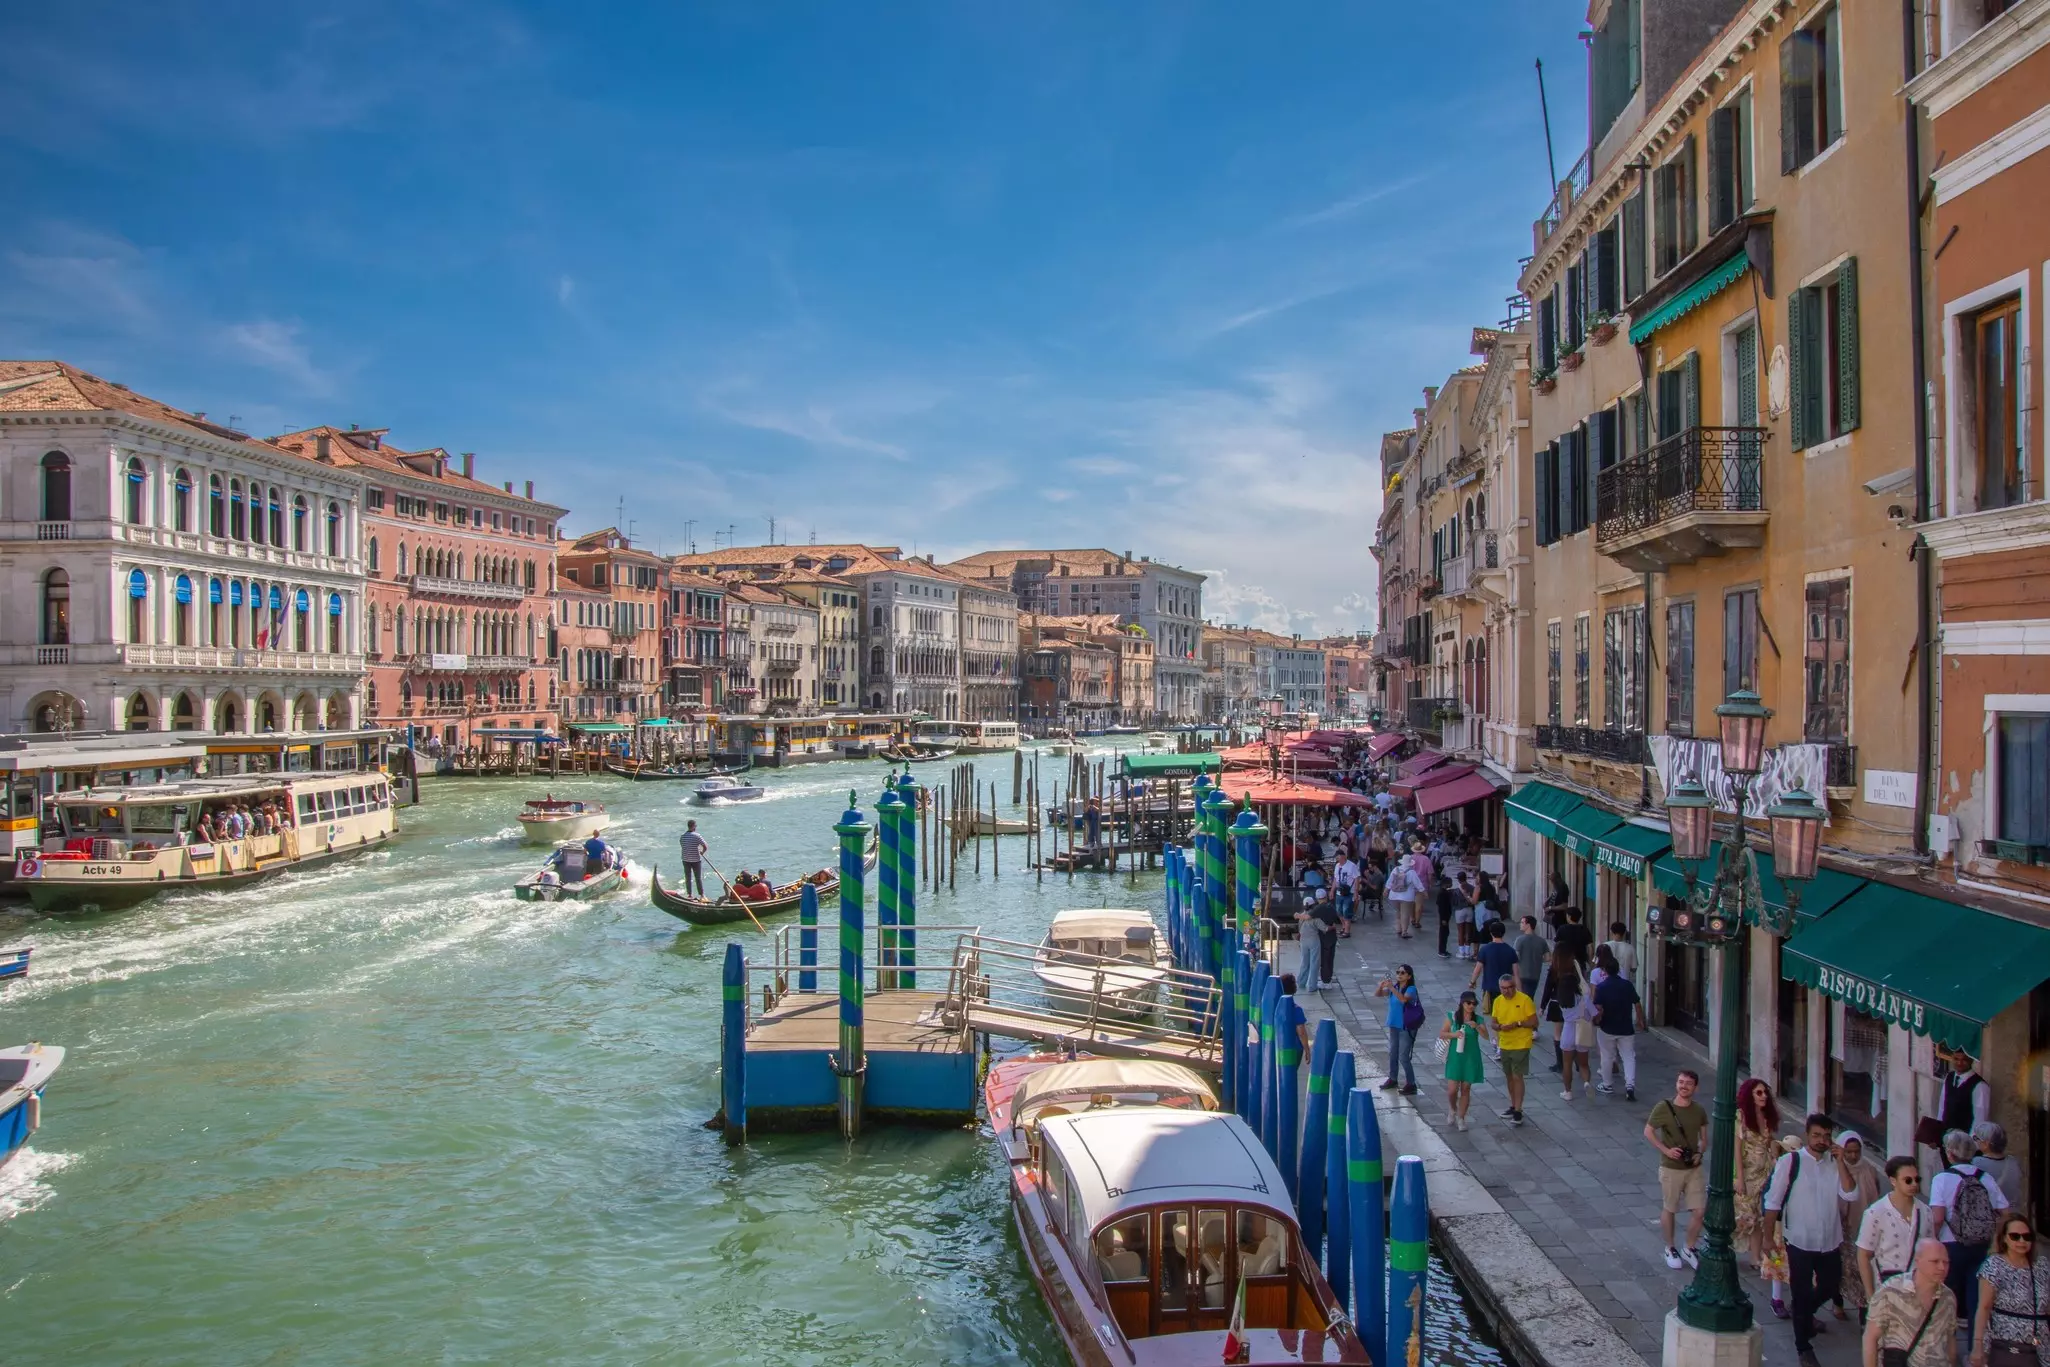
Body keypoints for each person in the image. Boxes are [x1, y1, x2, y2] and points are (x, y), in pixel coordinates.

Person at [1767, 1113, 1860, 1364]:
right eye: (1817, 1135)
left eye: (1826, 1136)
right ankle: (1803, 1346)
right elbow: (1773, 1202)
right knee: (1801, 1291)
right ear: (1808, 1134)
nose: (1821, 1140)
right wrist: (1767, 1239)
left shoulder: (1834, 1164)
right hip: (1799, 1239)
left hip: (1830, 1240)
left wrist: (1841, 1162)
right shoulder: (1791, 1162)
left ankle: (1804, 1314)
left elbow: (1851, 1194)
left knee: (1830, 1284)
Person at [1935, 1128, 2011, 1327]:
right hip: (1980, 1244)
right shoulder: (1985, 1178)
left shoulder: (1942, 1179)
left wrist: (1933, 1239)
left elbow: (1938, 1217)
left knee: (1948, 1298)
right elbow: (2005, 1212)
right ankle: (1974, 1351)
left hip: (1951, 1243)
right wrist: (1993, 1235)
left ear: (1950, 1153)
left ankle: (1947, 1349)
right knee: (1975, 1301)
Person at [1735, 1077, 1793, 1312]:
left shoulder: (1767, 1118)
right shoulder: (1741, 1117)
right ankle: (1732, 1248)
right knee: (1744, 1215)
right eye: (1758, 1093)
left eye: (1765, 1093)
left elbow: (1770, 1144)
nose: (1763, 1097)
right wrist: (1739, 1177)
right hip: (1748, 1172)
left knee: (1760, 1215)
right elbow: (1737, 1149)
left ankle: (1755, 1256)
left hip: (1765, 1172)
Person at [1862, 1240, 1958, 1367]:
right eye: (1935, 1261)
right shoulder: (1890, 1291)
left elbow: (1950, 1339)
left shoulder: (1948, 1297)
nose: (1942, 1267)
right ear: (1918, 1261)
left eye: (1946, 1262)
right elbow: (1870, 1338)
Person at [1648, 1069, 1709, 1270]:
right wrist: (1666, 1150)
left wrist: (1700, 1153)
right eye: (1681, 1082)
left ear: (1696, 1088)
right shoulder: (1663, 1107)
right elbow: (1648, 1132)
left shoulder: (1699, 1110)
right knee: (1670, 1207)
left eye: (1688, 1083)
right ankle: (1670, 1247)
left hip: (1693, 1167)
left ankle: (1689, 1247)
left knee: (1699, 1210)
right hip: (1671, 1168)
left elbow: (1704, 1139)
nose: (1683, 1086)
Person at [1971, 1214, 2048, 1367]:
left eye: (2027, 1237)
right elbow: (1984, 1307)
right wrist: (1978, 1345)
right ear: (2004, 1238)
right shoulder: (1994, 1265)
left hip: (2041, 1345)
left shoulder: (2042, 1266)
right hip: (2006, 1344)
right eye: (2015, 1236)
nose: (2022, 1241)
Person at [1860, 1156, 1934, 1311]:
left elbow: (1931, 1252)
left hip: (1918, 1291)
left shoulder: (1925, 1212)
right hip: (1887, 1290)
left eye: (1917, 1179)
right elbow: (1863, 1255)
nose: (1914, 1184)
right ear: (1893, 1181)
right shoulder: (1875, 1213)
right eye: (1908, 1180)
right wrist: (1870, 1295)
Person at [1836, 1132, 1884, 1322]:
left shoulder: (1869, 1170)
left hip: (1866, 1227)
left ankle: (1864, 1309)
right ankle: (1837, 1303)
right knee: (1842, 1269)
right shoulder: (1836, 1170)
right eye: (1848, 1152)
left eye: (1856, 1152)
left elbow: (1876, 1194)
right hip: (1843, 1229)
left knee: (1864, 1270)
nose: (1853, 1156)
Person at [1487, 971, 1537, 1127]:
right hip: (1505, 1043)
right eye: (1503, 988)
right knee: (1509, 1076)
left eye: (1508, 988)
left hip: (1521, 1043)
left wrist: (1518, 1024)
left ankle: (1518, 1110)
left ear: (1514, 986)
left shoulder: (1524, 1000)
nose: (1505, 991)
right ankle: (1514, 1104)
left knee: (1517, 1076)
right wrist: (1501, 1027)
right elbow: (1493, 1023)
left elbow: (1534, 1022)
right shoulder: (1498, 1001)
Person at [1591, 956, 1643, 1099]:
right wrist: (1640, 1021)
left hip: (1607, 1027)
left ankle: (1607, 1084)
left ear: (1605, 971)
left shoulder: (1601, 988)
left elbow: (1598, 1008)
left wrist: (1595, 1020)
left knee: (1607, 1056)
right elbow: (1637, 1004)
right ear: (1618, 970)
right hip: (1626, 1027)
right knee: (1628, 1056)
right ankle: (1630, 1085)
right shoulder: (1627, 985)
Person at [1544, 951, 1594, 1099]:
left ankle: (1568, 1091)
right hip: (1582, 1029)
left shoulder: (1562, 1001)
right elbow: (1593, 1013)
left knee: (1567, 1064)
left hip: (1568, 1029)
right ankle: (1586, 1082)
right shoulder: (1583, 997)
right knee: (1583, 1064)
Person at [1439, 990, 1485, 1132]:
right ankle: (1452, 1108)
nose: (1471, 1006)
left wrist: (1476, 1026)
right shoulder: (1452, 1017)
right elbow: (1442, 1034)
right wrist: (1454, 1034)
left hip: (1471, 1057)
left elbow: (1487, 1036)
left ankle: (1461, 1117)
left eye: (1474, 1003)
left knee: (1466, 1089)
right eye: (1468, 1003)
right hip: (1455, 1057)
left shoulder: (1477, 1019)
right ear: (1462, 1003)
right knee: (1452, 1090)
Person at [1374, 965, 1421, 1095]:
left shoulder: (1411, 989)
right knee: (1393, 1053)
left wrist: (1390, 988)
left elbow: (1403, 999)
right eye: (1398, 972)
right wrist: (1381, 986)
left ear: (1409, 976)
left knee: (1403, 1056)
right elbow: (1377, 994)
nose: (1399, 974)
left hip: (1406, 1027)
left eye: (1403, 973)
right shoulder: (1395, 988)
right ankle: (1393, 1078)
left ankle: (1411, 1083)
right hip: (1394, 1025)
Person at [1471, 921, 1520, 1019]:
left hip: (1490, 988)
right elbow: (1516, 974)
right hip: (1507, 988)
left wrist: (1472, 982)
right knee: (1506, 1014)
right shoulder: (1510, 950)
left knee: (1494, 1016)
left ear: (1491, 933)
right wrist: (1520, 991)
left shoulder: (1485, 950)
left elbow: (1478, 969)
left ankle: (1496, 1034)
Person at [1972, 1123, 2024, 1211]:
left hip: (1993, 1215)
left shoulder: (1977, 1163)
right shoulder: (2013, 1162)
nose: (1975, 1141)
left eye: (1976, 1138)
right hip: (2013, 1214)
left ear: (1986, 1144)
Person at [1292, 895, 1325, 994]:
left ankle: (1301, 982)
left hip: (1303, 940)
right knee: (1314, 963)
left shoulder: (1301, 916)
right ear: (1313, 905)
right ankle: (1312, 986)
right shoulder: (1315, 917)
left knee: (1304, 962)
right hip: (1314, 940)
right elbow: (1324, 928)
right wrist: (1332, 928)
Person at [1512, 915, 1549, 1002]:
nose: (1520, 924)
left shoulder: (1520, 940)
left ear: (1528, 925)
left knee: (1521, 999)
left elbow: (1515, 957)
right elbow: (1548, 958)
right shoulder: (1541, 941)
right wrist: (1538, 959)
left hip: (1522, 974)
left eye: (1522, 922)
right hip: (1535, 975)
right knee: (1530, 997)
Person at [1384, 857, 1421, 940]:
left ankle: (1398, 928)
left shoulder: (1395, 869)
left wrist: (1386, 890)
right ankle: (1404, 931)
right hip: (1406, 896)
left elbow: (1390, 881)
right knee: (1405, 914)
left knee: (1398, 912)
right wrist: (1423, 892)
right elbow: (1418, 884)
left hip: (1394, 895)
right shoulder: (1412, 872)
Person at [678, 819, 708, 896]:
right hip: (696, 860)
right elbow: (705, 846)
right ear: (694, 826)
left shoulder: (683, 836)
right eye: (696, 825)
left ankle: (689, 895)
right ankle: (701, 895)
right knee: (698, 878)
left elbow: (683, 846)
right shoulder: (697, 836)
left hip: (685, 859)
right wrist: (702, 852)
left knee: (688, 878)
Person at [1450, 872, 1476, 959]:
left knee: (1461, 931)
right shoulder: (1472, 888)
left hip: (1459, 910)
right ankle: (1468, 951)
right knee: (1468, 931)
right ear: (1466, 878)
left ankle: (1461, 952)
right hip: (1469, 910)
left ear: (1458, 879)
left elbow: (1453, 902)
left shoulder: (1456, 889)